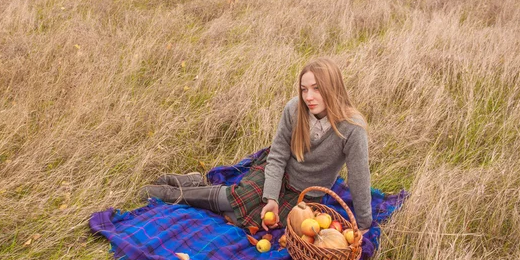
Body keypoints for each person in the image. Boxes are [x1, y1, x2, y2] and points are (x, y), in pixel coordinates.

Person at [139, 58, 371, 234]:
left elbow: (359, 176)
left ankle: (197, 183)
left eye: (316, 88)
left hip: (306, 195)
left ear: (333, 87)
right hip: (279, 175)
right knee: (235, 199)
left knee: (246, 220)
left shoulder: (352, 128)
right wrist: (271, 197)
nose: (308, 96)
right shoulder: (294, 109)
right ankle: (173, 194)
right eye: (304, 89)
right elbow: (278, 155)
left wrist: (363, 225)